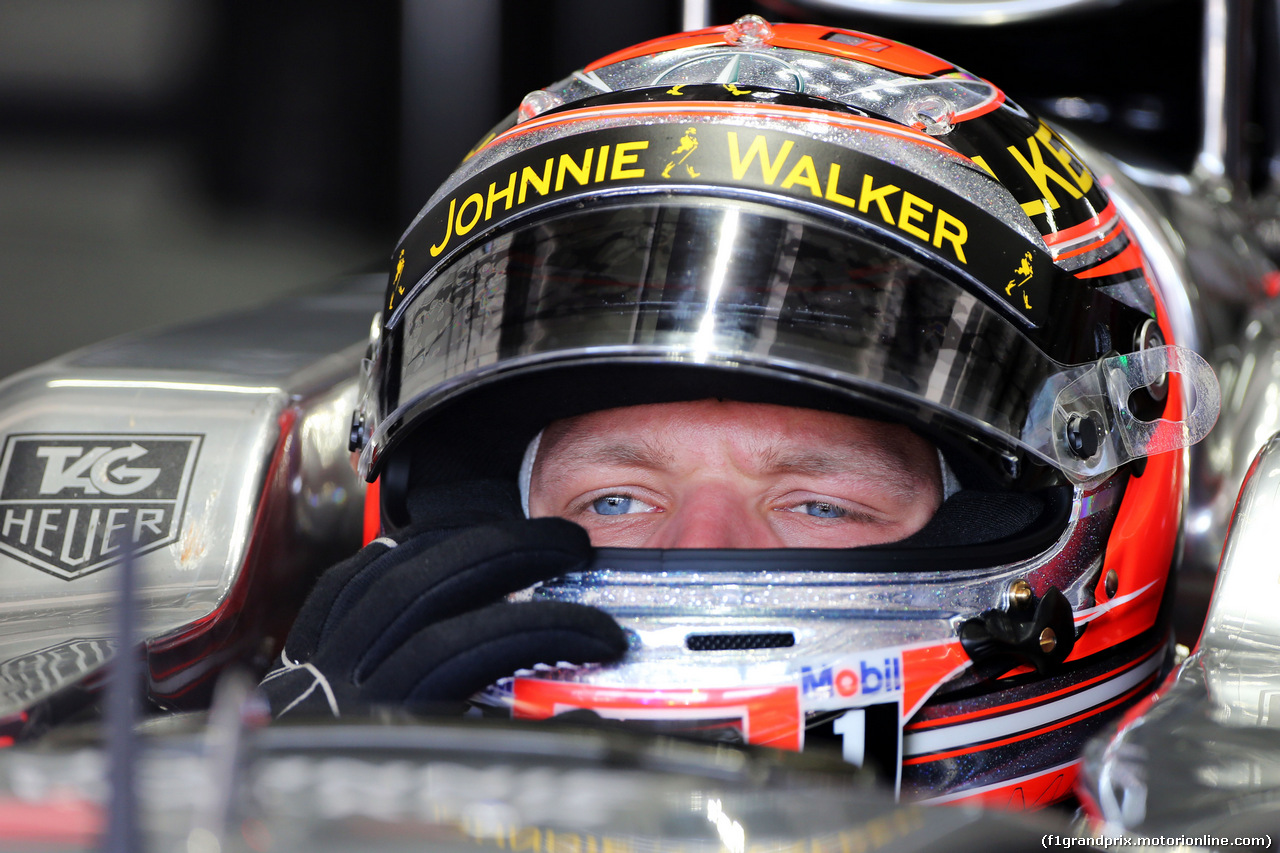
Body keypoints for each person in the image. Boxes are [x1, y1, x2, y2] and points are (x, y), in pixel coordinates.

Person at [261, 17, 1218, 807]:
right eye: (615, 499)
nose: (697, 547)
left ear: (1090, 529)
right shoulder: (324, 756)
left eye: (819, 503)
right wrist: (287, 803)